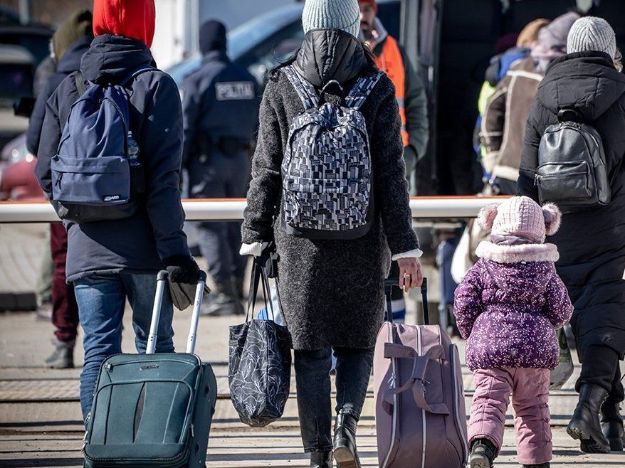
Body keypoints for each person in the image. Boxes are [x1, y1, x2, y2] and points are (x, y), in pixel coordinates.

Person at [240, 0, 423, 466]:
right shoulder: (377, 84)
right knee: (358, 343)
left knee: (311, 348)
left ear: (307, 25)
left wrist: (255, 231)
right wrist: (405, 247)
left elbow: (265, 169)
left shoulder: (282, 83)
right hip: (364, 240)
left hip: (299, 243)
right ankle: (345, 427)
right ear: (350, 23)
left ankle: (318, 452)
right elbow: (391, 176)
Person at [35, 0, 199, 421]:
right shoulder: (156, 86)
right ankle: (157, 450)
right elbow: (163, 183)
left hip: (87, 251)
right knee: (155, 352)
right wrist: (176, 253)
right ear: (147, 24)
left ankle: (100, 446)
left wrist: (76, 217)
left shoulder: (68, 87)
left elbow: (44, 168)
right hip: (147, 253)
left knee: (99, 355)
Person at [518, 16, 625, 453]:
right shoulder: (621, 94)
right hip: (611, 227)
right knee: (605, 317)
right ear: (608, 49)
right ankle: (589, 405)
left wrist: (535, 228)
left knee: (590, 317)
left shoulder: (544, 95)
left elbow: (527, 174)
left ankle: (611, 421)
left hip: (558, 228)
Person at [454, 196, 573, 468]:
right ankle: (536, 461)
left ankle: (482, 446)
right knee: (533, 410)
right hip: (535, 353)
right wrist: (551, 324)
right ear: (542, 227)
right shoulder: (546, 269)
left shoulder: (483, 265)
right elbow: (562, 308)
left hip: (491, 351)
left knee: (488, 401)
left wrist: (471, 331)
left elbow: (463, 300)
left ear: (495, 223)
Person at [27, 9, 93, 369]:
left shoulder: (56, 80)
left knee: (63, 264)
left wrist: (58, 194)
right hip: (115, 195)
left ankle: (65, 341)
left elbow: (36, 142)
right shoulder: (117, 72)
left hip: (67, 197)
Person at [181, 20, 259, 316]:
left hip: (208, 163)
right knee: (238, 223)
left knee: (210, 226)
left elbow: (185, 128)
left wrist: (179, 168)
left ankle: (225, 293)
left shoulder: (197, 80)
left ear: (203, 44)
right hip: (242, 161)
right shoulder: (247, 78)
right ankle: (238, 288)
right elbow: (259, 123)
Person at [358, 0, 428, 324]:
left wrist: (411, 155)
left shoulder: (395, 51)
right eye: (357, 7)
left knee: (394, 256)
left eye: (368, 7)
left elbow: (415, 103)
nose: (363, 14)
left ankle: (393, 340)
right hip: (351, 177)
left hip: (394, 171)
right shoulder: (341, 53)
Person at [482, 12, 578, 195]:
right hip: (551, 179)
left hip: (508, 171)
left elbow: (491, 110)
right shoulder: (571, 78)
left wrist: (492, 155)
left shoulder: (518, 69)